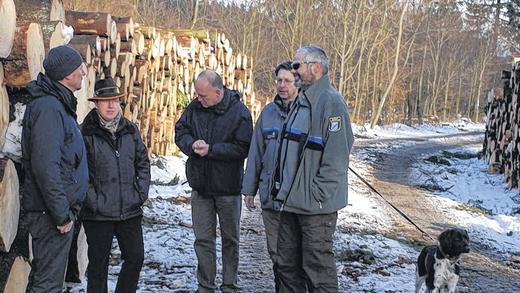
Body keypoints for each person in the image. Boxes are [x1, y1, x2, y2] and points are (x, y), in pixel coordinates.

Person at [271, 45, 354, 292]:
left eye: (297, 65)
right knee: (286, 267)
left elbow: (337, 157)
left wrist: (317, 194)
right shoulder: (301, 100)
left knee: (317, 270)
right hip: (291, 202)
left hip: (315, 207)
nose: (293, 70)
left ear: (315, 67)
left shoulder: (331, 103)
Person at [175, 70, 253, 293]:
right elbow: (180, 131)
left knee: (231, 239)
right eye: (197, 95)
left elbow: (243, 147)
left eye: (203, 96)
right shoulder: (194, 107)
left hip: (227, 187)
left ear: (218, 92)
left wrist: (212, 150)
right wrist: (190, 144)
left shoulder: (239, 113)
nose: (199, 99)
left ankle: (229, 285)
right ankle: (205, 285)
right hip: (200, 186)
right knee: (203, 239)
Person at [22, 45, 89, 293]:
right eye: (78, 67)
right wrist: (61, 214)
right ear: (65, 74)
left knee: (46, 280)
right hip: (49, 215)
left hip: (54, 213)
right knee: (47, 285)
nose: (83, 72)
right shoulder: (49, 108)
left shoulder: (57, 104)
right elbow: (45, 167)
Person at [80, 77, 150, 293]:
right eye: (105, 101)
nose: (111, 106)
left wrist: (140, 193)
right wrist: (95, 201)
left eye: (115, 100)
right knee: (98, 267)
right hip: (98, 214)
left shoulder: (130, 130)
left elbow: (143, 162)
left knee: (136, 258)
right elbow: (78, 172)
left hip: (129, 210)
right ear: (96, 103)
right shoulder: (85, 133)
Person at [241, 61, 298, 292]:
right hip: (270, 197)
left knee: (294, 255)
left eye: (287, 81)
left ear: (297, 83)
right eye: (279, 81)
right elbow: (256, 152)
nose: (282, 85)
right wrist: (249, 189)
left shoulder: (306, 112)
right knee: (275, 252)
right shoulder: (268, 113)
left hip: (296, 199)